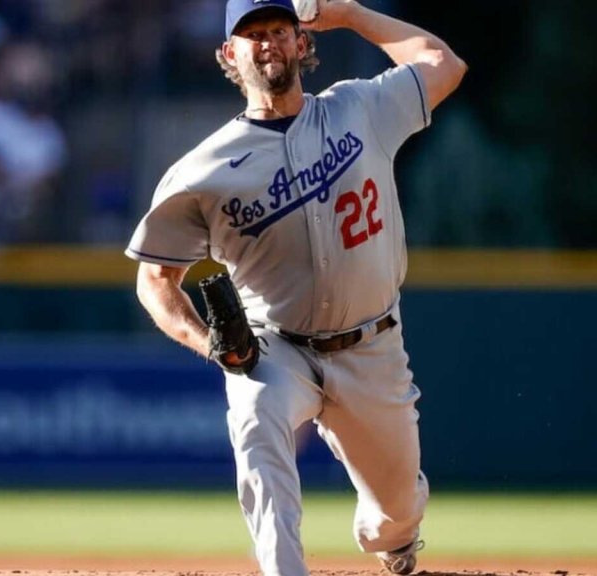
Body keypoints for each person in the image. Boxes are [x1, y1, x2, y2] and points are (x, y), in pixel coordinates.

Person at [126, 1, 466, 574]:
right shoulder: (202, 171)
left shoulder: (361, 107)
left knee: (396, 514)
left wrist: (352, 14)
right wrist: (208, 340)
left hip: (371, 347)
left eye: (278, 29)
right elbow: (154, 280)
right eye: (251, 34)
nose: (267, 42)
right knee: (256, 418)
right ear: (229, 54)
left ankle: (392, 534)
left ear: (302, 42)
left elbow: (444, 63)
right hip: (275, 347)